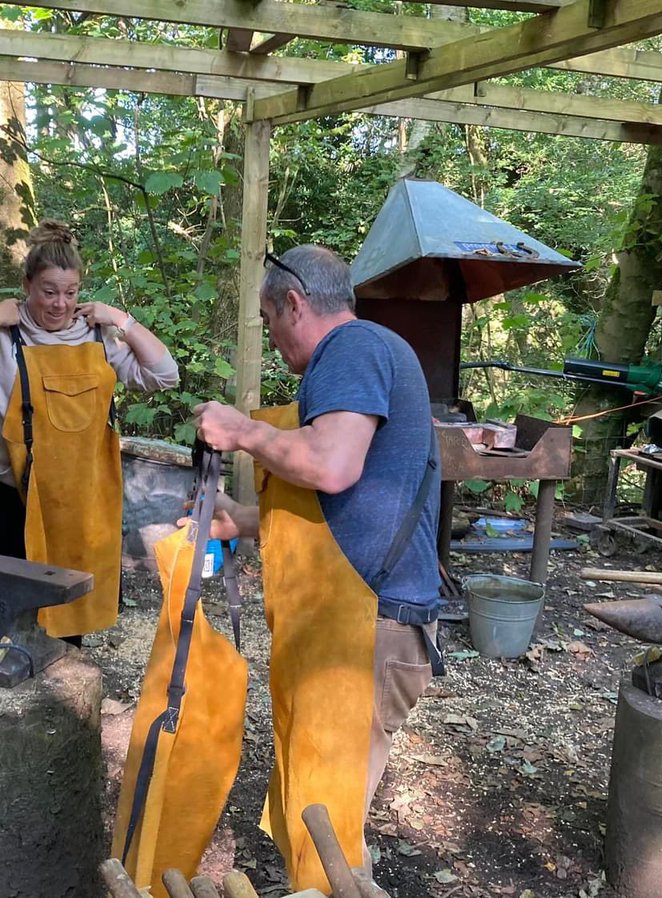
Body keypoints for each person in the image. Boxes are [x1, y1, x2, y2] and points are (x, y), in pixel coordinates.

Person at [191, 244, 442, 895]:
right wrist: (243, 520)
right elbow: (343, 498)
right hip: (352, 623)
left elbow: (331, 466)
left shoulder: (352, 351)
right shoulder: (366, 356)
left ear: (294, 303)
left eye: (270, 321)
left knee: (326, 830)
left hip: (366, 629)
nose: (272, 338)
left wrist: (243, 431)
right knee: (324, 820)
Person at [0, 220, 179, 639]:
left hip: (72, 494)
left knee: (64, 599)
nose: (60, 304)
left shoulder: (98, 337)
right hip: (0, 487)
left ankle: (62, 687)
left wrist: (121, 320)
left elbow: (165, 375)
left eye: (70, 293)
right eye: (48, 291)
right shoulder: (0, 336)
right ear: (27, 285)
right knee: (4, 592)